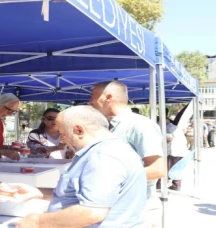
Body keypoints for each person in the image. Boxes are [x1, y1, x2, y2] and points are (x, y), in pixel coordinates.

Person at [15, 106, 147, 227]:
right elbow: (85, 193)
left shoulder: (102, 156)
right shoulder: (108, 149)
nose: (61, 139)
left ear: (79, 130)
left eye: (62, 133)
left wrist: (38, 221)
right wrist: (39, 192)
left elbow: (93, 211)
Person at [88, 81, 166, 228]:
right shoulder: (105, 126)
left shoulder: (140, 125)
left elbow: (157, 170)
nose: (89, 101)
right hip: (116, 210)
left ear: (108, 97)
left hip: (136, 212)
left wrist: (107, 179)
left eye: (93, 96)